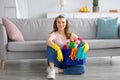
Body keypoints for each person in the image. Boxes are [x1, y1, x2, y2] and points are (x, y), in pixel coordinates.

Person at [46, 15, 85, 80]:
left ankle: (58, 71)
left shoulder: (71, 34)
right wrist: (58, 49)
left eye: (63, 22)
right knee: (50, 46)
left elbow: (81, 41)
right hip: (57, 60)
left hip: (68, 60)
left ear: (66, 24)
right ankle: (52, 70)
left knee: (82, 69)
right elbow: (48, 41)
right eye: (59, 22)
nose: (61, 24)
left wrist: (85, 45)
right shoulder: (54, 34)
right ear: (56, 23)